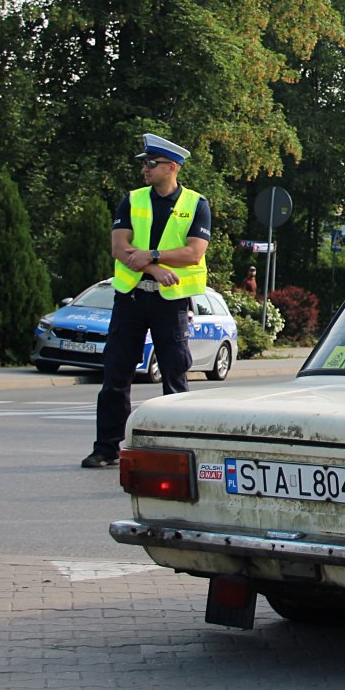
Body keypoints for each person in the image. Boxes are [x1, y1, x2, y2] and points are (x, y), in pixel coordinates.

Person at [81, 133, 211, 468]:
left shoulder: (196, 204)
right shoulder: (133, 200)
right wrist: (154, 268)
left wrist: (150, 255)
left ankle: (177, 450)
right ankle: (107, 448)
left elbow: (193, 253)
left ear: (172, 167)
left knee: (174, 376)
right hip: (132, 298)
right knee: (116, 374)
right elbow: (118, 248)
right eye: (144, 162)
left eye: (151, 163)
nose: (145, 168)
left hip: (171, 303)